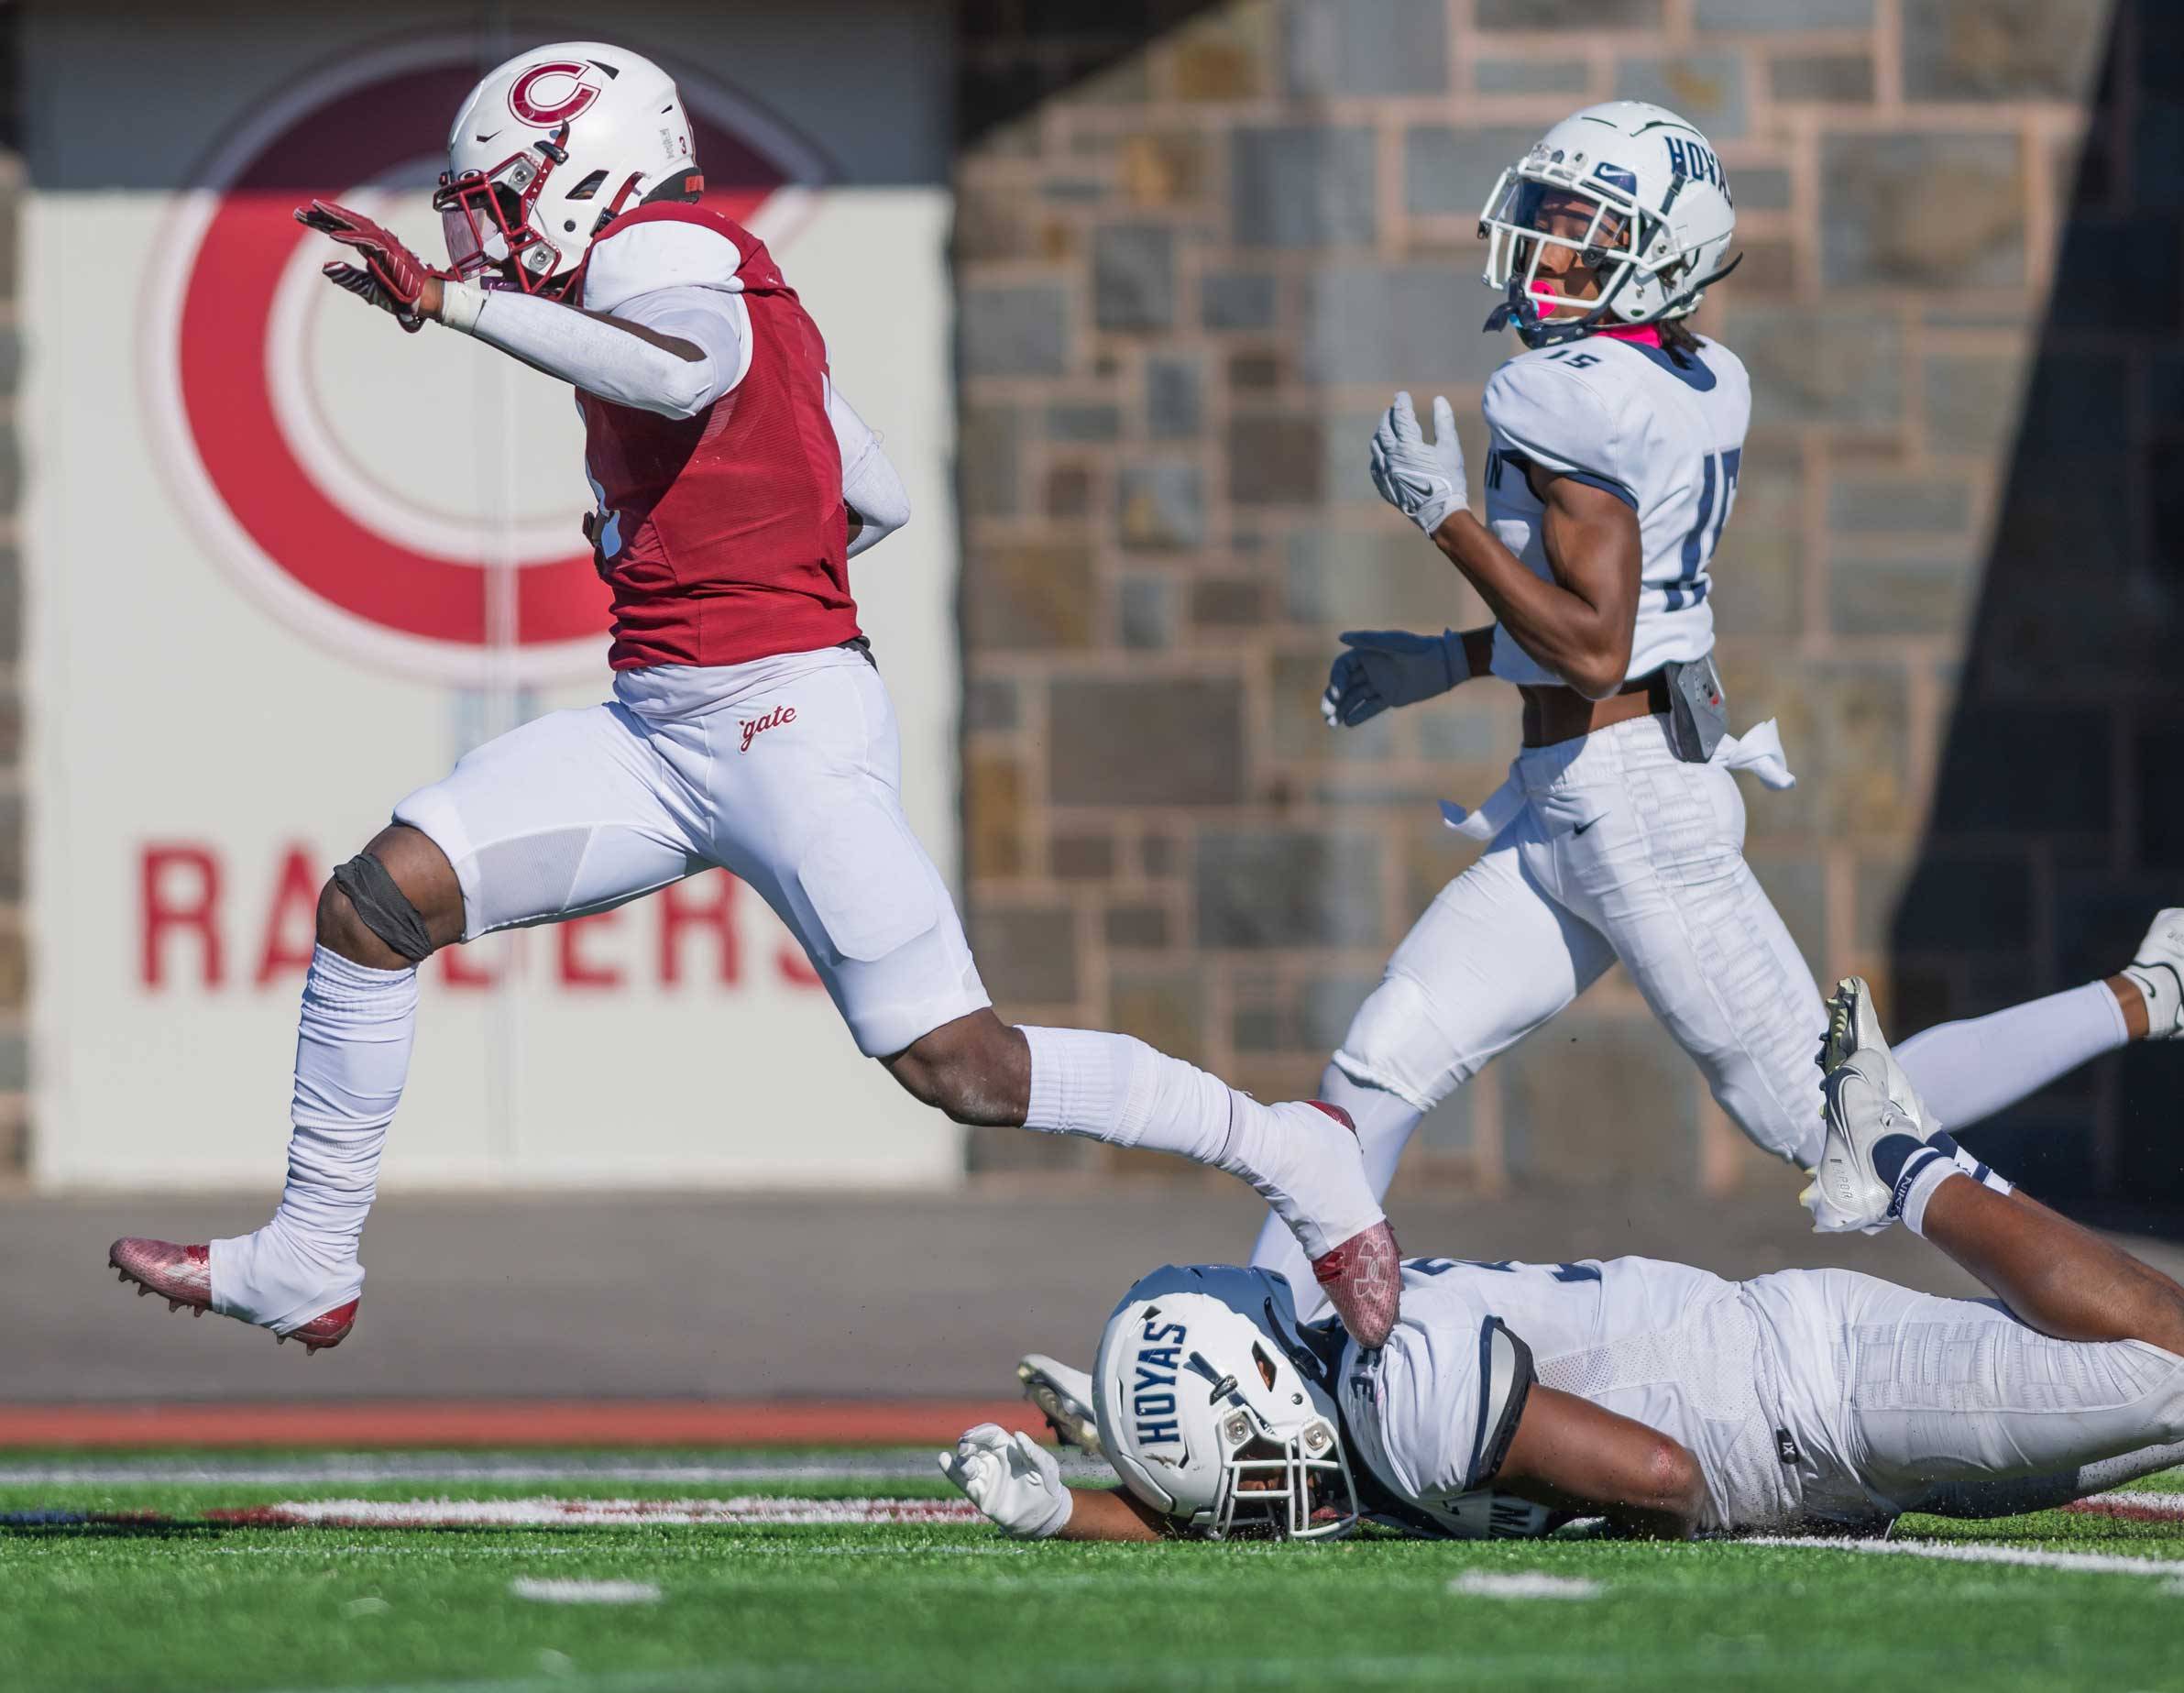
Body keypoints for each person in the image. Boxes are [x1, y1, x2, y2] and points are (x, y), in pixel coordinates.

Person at [104, 41, 1398, 1356]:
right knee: (375, 907)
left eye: (503, 201)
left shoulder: (658, 251)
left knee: (967, 1068)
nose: (489, 236)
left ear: (589, 174)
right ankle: (310, 1256)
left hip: (776, 725)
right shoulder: (713, 272)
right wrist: (729, 539)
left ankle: (1288, 1149)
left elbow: (681, 371)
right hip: (665, 726)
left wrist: (452, 305)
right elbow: (871, 496)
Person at [1246, 96, 2184, 1289]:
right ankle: (1260, 1335)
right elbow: (1631, 624)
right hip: (1575, 794)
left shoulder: (1566, 394)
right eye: (1550, 215)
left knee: (1828, 1119)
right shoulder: (1693, 374)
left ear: (1661, 255)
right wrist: (1447, 659)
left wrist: (1445, 521)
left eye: (1584, 227)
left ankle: (2158, 992)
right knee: (1376, 1066)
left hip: (1632, 802)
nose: (1548, 245)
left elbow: (1596, 649)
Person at [945, 981, 2184, 1543]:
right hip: (1804, 1417)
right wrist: (1077, 1509)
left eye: (1236, 1463)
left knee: (2183, 1376)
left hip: (1812, 1401)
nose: (1247, 1505)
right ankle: (1909, 1161)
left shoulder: (1401, 1394)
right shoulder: (1352, 1376)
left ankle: (1902, 1160)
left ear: (1265, 1387)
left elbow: (1666, 1480)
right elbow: (1300, 1487)